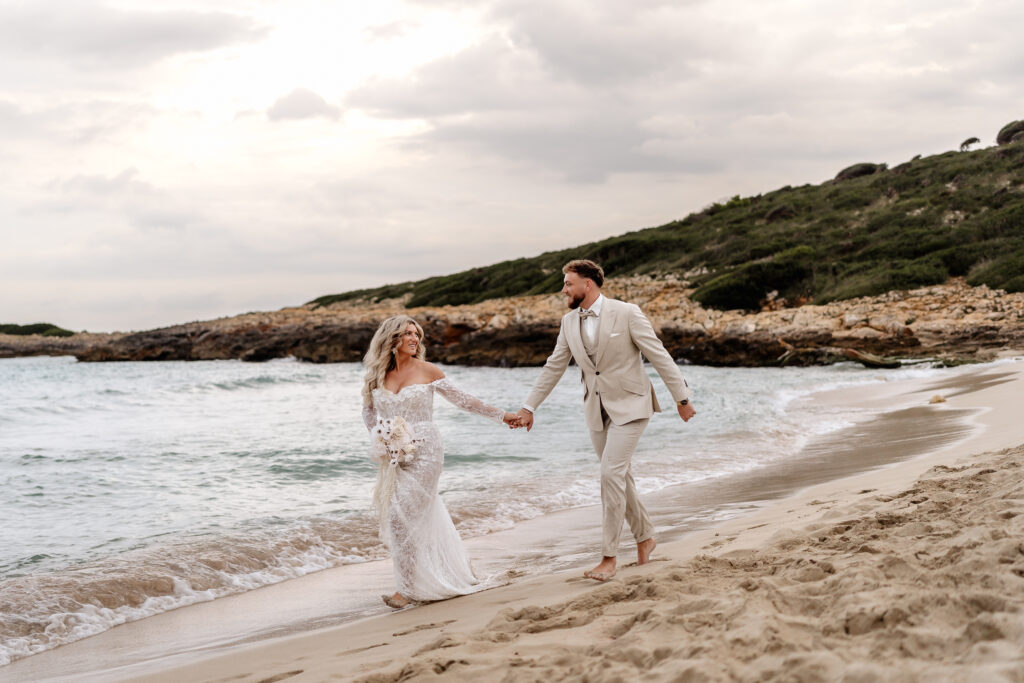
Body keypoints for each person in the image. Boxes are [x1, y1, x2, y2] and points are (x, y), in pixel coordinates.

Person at [515, 259, 696, 582]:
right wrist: (530, 407)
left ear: (588, 284)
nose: (564, 289)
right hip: (596, 410)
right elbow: (554, 367)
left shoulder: (627, 312)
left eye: (569, 283)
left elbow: (658, 355)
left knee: (610, 474)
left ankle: (609, 557)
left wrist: (681, 398)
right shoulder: (569, 321)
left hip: (633, 404)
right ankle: (646, 537)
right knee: (621, 478)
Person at [361, 315, 520, 608]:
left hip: (426, 452)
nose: (414, 339)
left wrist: (502, 415)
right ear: (391, 339)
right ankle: (432, 576)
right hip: (396, 455)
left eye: (416, 334)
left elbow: (465, 401)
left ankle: (406, 590)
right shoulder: (377, 376)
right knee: (405, 517)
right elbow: (369, 412)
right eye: (407, 334)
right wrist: (380, 437)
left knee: (400, 517)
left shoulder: (428, 371)